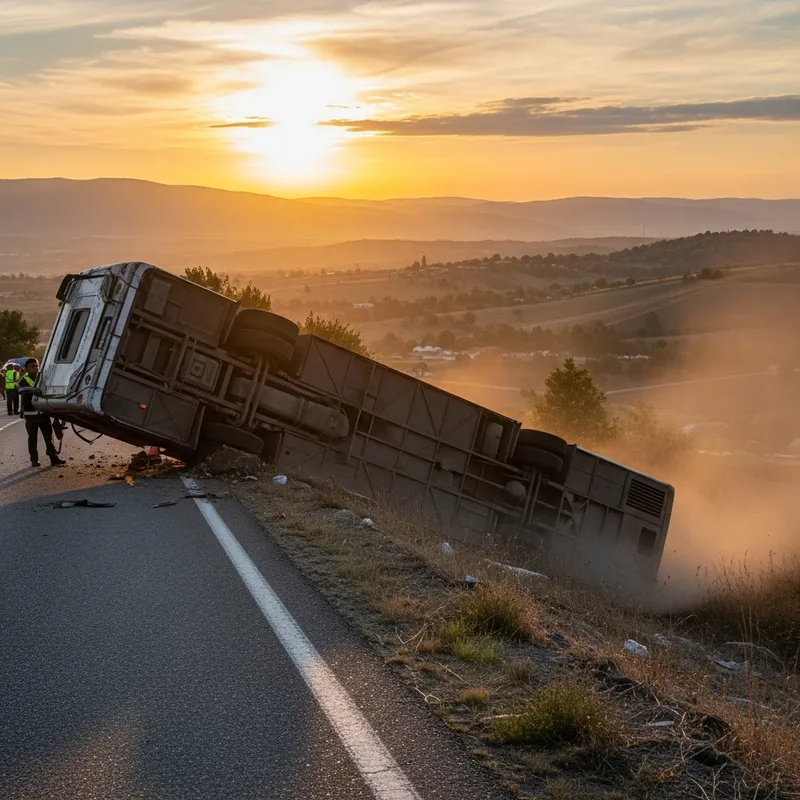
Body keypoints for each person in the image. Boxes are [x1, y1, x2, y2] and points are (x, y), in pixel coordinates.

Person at [18, 358, 65, 467]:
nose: (36, 368)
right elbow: (20, 390)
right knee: (32, 438)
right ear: (27, 368)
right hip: (30, 415)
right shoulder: (22, 381)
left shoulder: (43, 378)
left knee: (49, 436)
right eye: (33, 366)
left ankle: (53, 458)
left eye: (37, 366)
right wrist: (32, 390)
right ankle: (34, 459)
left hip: (44, 413)